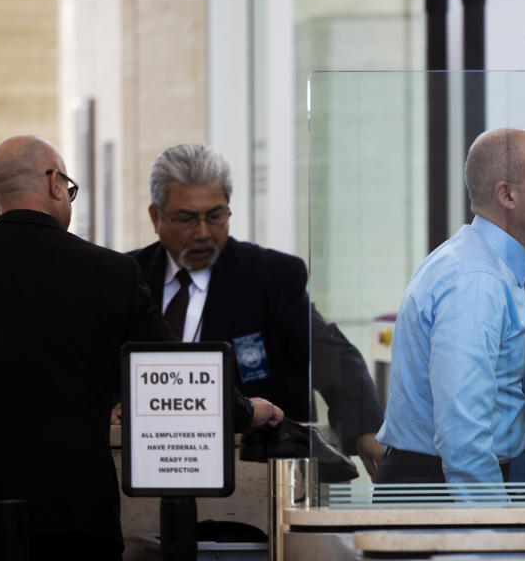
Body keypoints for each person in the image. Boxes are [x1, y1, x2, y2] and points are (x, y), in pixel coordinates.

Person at [0, 135, 282, 561]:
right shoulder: (110, 273)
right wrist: (247, 411)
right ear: (55, 183)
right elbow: (172, 375)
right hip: (75, 517)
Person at [129, 143, 384, 478]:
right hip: (148, 474)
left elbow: (333, 358)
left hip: (255, 485)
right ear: (155, 216)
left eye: (216, 215)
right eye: (187, 218)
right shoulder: (127, 278)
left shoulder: (270, 278)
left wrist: (366, 430)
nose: (204, 232)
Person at [376, 127, 525, 488]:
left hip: (446, 482)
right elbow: (463, 440)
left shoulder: (481, 266)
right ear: (508, 195)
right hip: (442, 489)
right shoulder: (476, 280)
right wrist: (492, 532)